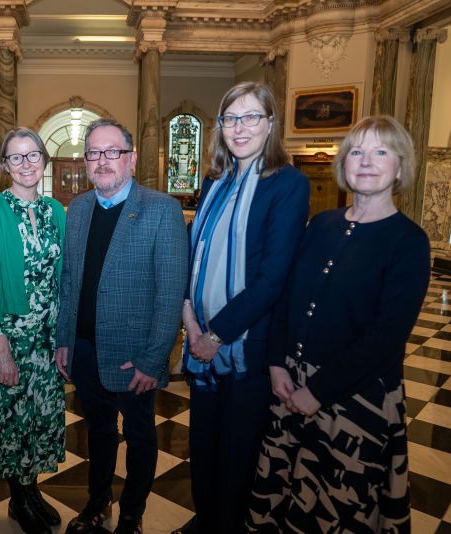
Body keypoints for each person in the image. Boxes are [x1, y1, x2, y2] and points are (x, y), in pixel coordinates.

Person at [247, 115, 430, 532]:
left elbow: (386, 337)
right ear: (343, 164)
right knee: (282, 496)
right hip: (290, 387)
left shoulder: (409, 242)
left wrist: (319, 391)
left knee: (336, 510)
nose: (366, 161)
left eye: (381, 151)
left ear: (400, 167)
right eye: (357, 151)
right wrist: (276, 363)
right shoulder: (321, 225)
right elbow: (285, 300)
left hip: (356, 400)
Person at [176, 82, 310, 534]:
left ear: (271, 123)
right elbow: (197, 256)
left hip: (245, 346)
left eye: (252, 116)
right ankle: (204, 521)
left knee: (237, 455)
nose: (240, 127)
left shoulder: (288, 183)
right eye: (231, 118)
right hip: (201, 339)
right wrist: (191, 321)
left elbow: (273, 279)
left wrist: (216, 336)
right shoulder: (216, 180)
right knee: (204, 444)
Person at [55, 118, 188, 534]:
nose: (103, 160)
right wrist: (64, 340)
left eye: (112, 151)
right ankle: (98, 502)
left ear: (130, 159)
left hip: (135, 357)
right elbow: (68, 281)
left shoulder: (162, 209)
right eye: (94, 152)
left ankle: (133, 511)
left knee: (141, 435)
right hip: (85, 349)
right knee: (97, 432)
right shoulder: (76, 209)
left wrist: (153, 359)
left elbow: (170, 293)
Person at [0, 127, 66, 534]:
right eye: (16, 157)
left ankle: (32, 492)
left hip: (47, 336)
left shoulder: (56, 211)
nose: (26, 164)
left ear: (43, 161)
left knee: (41, 419)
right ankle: (18, 498)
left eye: (33, 156)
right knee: (12, 421)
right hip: (9, 335)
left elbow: (65, 277)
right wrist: (2, 349)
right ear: (4, 165)